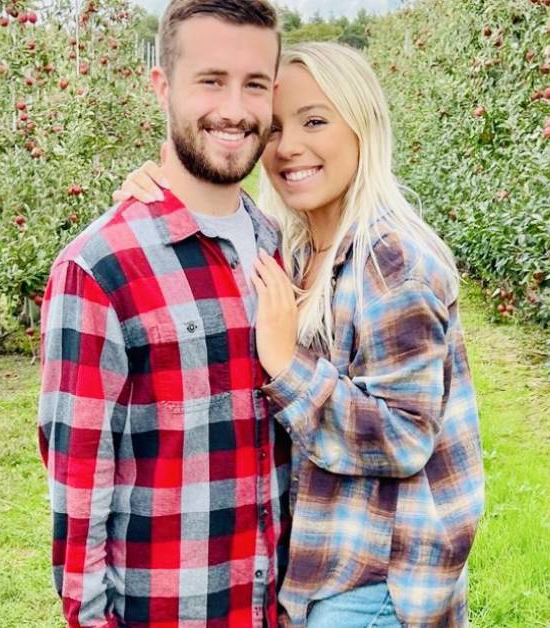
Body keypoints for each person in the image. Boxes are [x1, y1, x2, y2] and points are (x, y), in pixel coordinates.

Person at [113, 42, 485, 628]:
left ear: (363, 126)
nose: (288, 148)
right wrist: (164, 198)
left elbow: (404, 436)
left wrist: (287, 366)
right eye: (276, 129)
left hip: (376, 586)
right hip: (323, 573)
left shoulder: (391, 261)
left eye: (315, 121)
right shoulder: (296, 250)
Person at [35, 1, 291, 626]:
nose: (234, 108)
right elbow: (80, 488)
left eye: (254, 84)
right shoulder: (101, 269)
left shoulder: (279, 249)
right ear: (162, 86)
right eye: (210, 80)